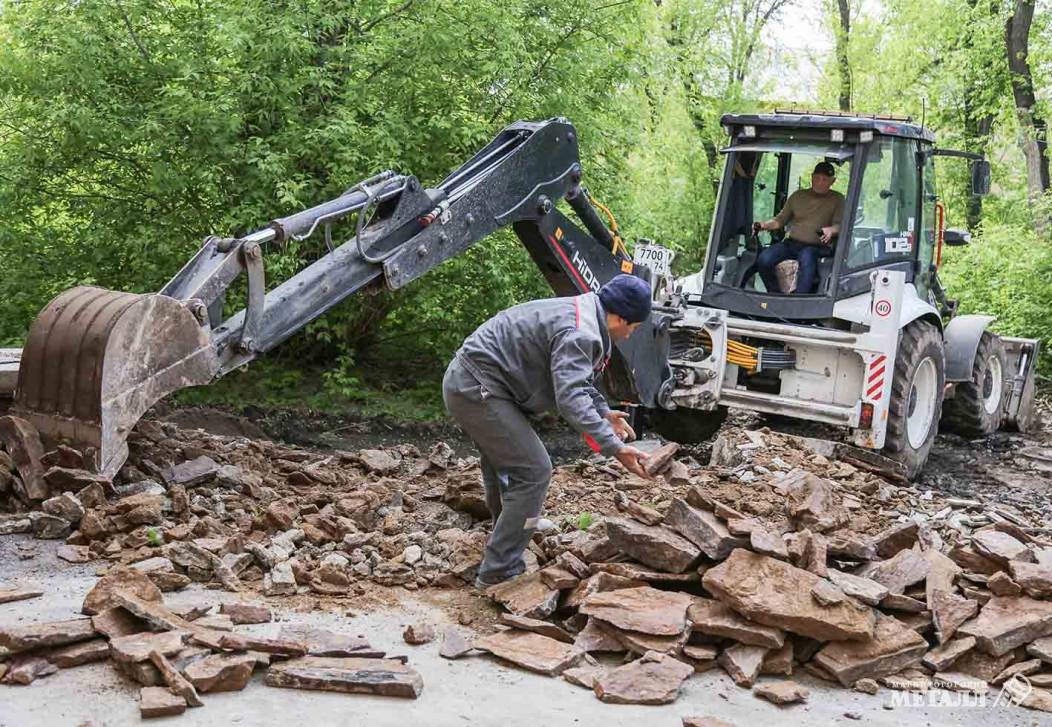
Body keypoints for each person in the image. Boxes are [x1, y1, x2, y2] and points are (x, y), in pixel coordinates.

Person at [442, 274, 654, 589]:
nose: (630, 334)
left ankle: (510, 534)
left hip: (477, 381)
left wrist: (603, 413)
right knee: (535, 470)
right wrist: (616, 448)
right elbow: (569, 399)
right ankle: (500, 570)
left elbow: (576, 381)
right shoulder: (581, 332)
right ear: (621, 316)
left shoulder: (584, 313)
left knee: (508, 464)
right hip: (478, 387)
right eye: (633, 326)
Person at [755, 161, 844, 294]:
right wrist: (763, 225)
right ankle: (775, 294)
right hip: (792, 244)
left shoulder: (838, 199)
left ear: (833, 181)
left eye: (825, 179)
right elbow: (780, 220)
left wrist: (831, 230)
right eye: (817, 178)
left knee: (807, 256)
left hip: (818, 247)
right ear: (812, 177)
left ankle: (799, 300)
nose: (820, 182)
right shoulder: (798, 196)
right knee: (764, 259)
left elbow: (841, 226)